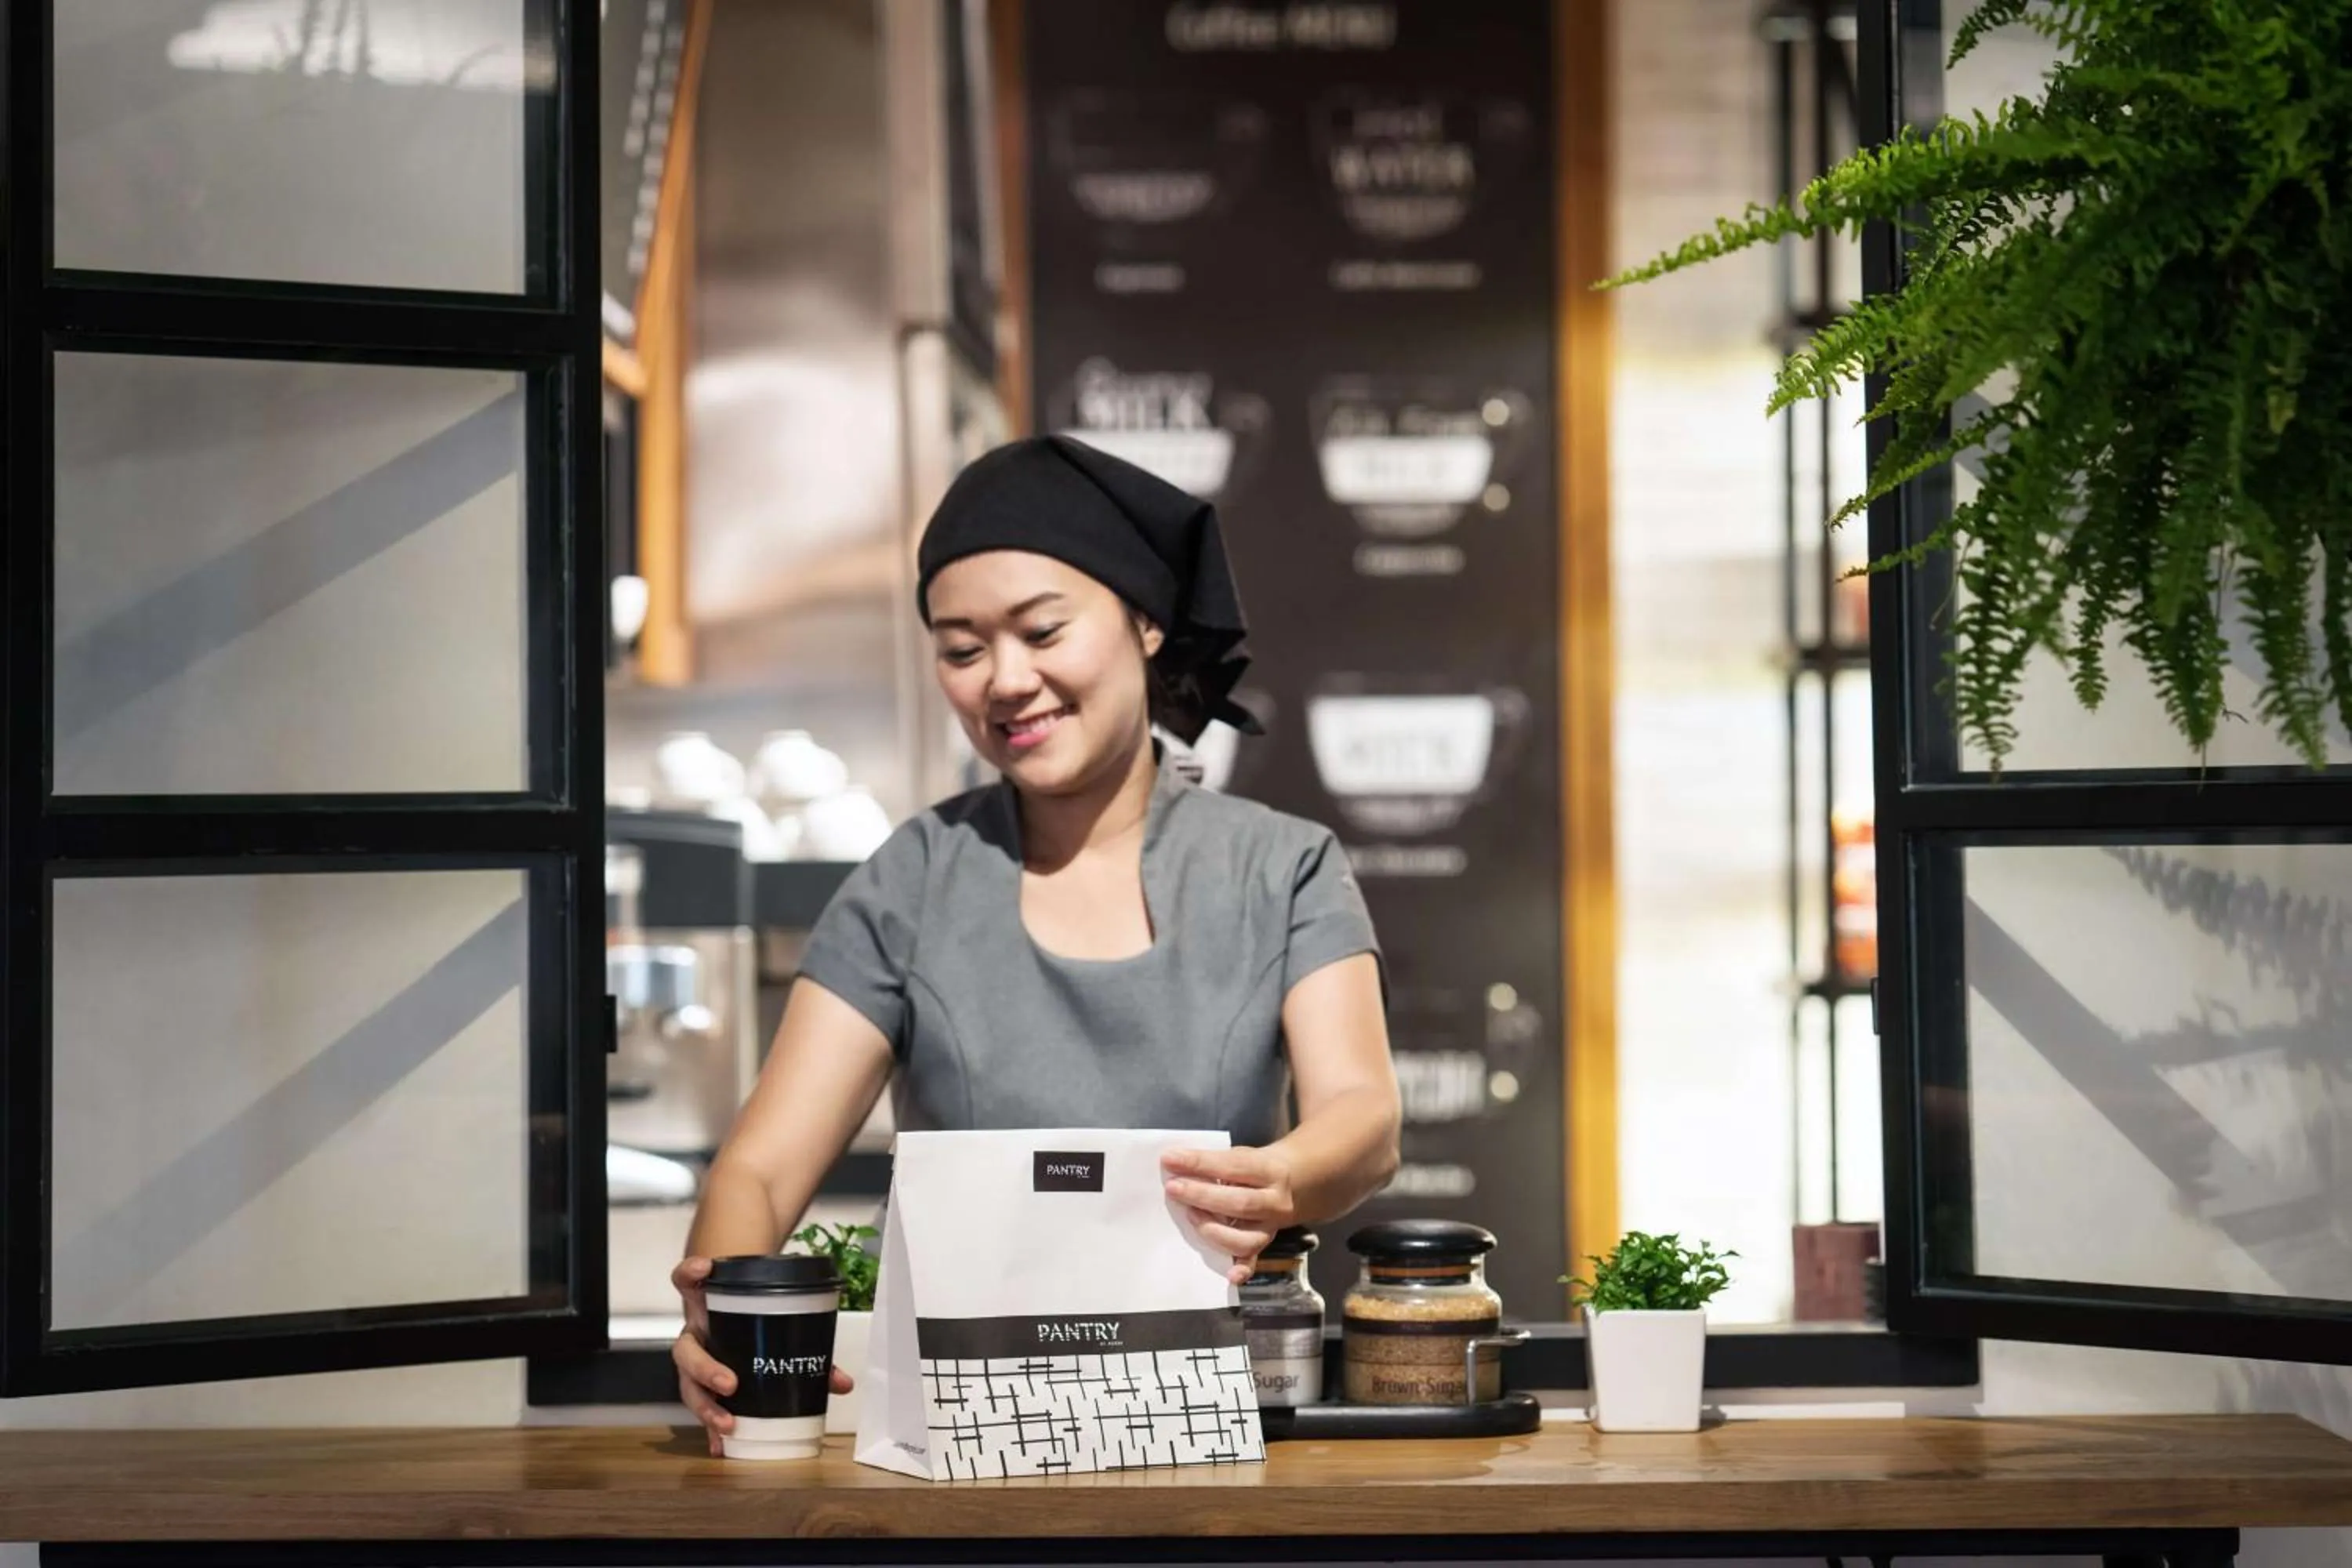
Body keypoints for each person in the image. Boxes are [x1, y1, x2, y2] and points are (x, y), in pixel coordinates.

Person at [670, 434, 1401, 1454]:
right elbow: (760, 1169)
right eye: (963, 650)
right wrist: (721, 1313)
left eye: (1042, 632)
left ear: (1146, 623)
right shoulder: (915, 877)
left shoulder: (1282, 867)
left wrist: (1282, 1181)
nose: (1006, 681)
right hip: (963, 1439)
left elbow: (1364, 1117)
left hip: (1221, 1426)